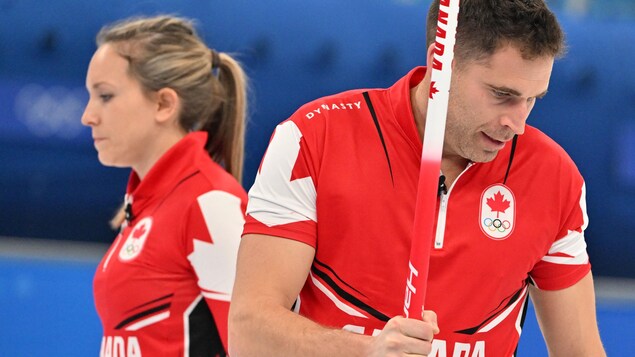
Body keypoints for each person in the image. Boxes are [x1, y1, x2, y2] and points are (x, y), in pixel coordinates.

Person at [229, 0, 606, 356]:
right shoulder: (315, 138)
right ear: (439, 66)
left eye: (532, 99)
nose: (517, 123)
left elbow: (581, 350)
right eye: (502, 94)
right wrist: (367, 350)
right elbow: (248, 331)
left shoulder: (554, 177)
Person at [81, 15, 248, 356]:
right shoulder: (146, 206)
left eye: (105, 96)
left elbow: (260, 345)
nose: (88, 115)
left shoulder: (209, 202)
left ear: (164, 104)